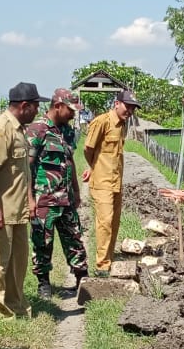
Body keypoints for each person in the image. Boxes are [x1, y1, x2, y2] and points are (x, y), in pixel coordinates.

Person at [0, 81, 47, 318]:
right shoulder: (1, 129)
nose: (38, 111)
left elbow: (22, 172)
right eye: (36, 106)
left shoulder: (19, 129)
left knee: (17, 263)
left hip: (17, 210)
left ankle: (16, 305)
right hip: (2, 211)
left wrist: (29, 199)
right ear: (25, 105)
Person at [28, 88, 88, 298]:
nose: (73, 114)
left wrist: (77, 190)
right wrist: (29, 200)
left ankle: (82, 280)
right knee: (42, 242)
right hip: (44, 198)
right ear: (58, 106)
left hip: (67, 198)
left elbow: (69, 160)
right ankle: (44, 284)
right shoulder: (38, 130)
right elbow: (27, 166)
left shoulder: (68, 132)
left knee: (75, 239)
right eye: (70, 110)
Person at [82, 89, 140, 273]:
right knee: (104, 222)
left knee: (114, 222)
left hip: (116, 182)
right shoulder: (102, 122)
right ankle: (102, 266)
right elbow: (88, 149)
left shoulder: (122, 125)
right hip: (102, 182)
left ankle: (109, 258)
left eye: (132, 108)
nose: (129, 111)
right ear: (116, 103)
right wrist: (94, 168)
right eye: (127, 106)